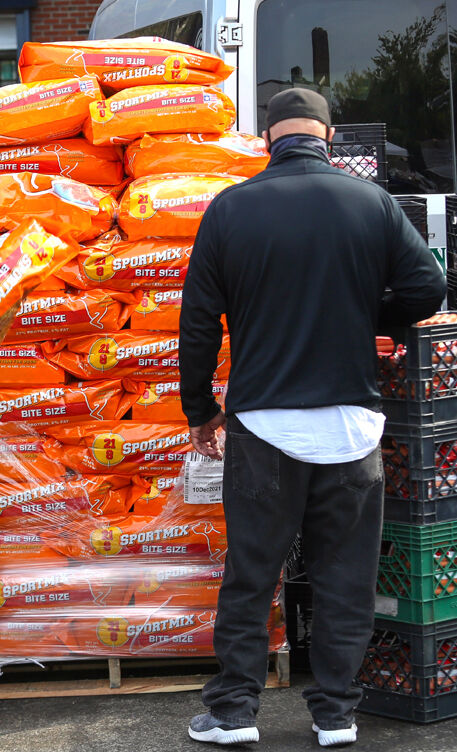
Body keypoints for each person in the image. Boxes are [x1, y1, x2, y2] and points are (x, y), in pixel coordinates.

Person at [179, 88, 446, 748]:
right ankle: (334, 715)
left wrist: (199, 410)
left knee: (250, 575)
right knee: (343, 578)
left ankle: (235, 714)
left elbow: (195, 325)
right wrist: (367, 321)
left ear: (267, 138)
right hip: (350, 426)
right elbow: (426, 288)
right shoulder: (371, 203)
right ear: (326, 136)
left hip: (262, 426)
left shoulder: (230, 208)